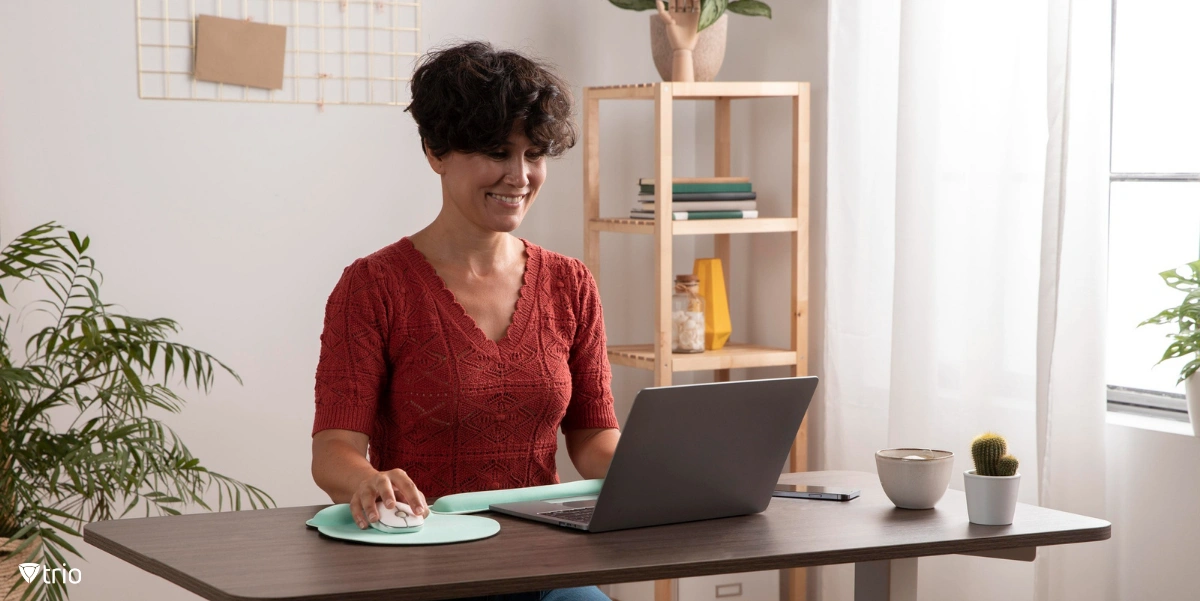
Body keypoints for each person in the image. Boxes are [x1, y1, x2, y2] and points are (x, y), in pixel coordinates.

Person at [310, 41, 619, 601]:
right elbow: (332, 449)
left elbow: (593, 436)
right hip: (423, 567)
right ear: (435, 150)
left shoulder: (571, 284)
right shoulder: (373, 287)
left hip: (541, 562)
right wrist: (366, 482)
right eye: (497, 152)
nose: (519, 175)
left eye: (534, 154)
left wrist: (666, 475)